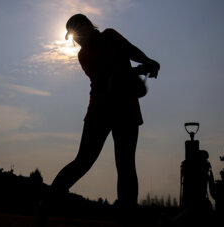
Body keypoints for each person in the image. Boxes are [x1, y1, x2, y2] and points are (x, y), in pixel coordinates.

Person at [51, 14, 160, 209]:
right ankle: (47, 203)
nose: (76, 39)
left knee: (126, 165)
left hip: (125, 109)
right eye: (73, 37)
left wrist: (147, 61)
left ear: (87, 27)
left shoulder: (110, 35)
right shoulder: (83, 55)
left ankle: (127, 221)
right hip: (100, 111)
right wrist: (140, 70)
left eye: (76, 33)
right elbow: (113, 79)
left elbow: (131, 50)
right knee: (83, 161)